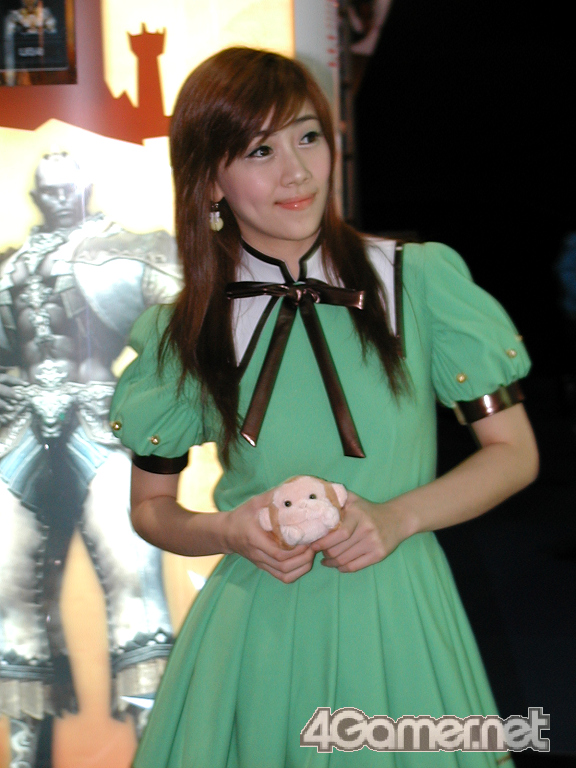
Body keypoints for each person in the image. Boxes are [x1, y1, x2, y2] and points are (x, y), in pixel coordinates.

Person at [110, 47, 538, 767]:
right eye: (260, 150)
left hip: (398, 610)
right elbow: (150, 509)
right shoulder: (185, 328)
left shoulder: (417, 279)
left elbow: (515, 454)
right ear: (209, 179)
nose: (298, 172)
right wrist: (227, 530)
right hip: (256, 628)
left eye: (308, 136)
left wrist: (397, 517)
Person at [0, 151, 180, 768]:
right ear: (34, 196)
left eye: (66, 188)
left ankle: (156, 744)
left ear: (86, 188)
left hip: (104, 425)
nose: (57, 199)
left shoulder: (133, 249)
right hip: (17, 431)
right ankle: (24, 753)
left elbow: (190, 329)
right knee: (8, 593)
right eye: (46, 190)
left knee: (135, 582)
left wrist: (152, 402)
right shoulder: (8, 265)